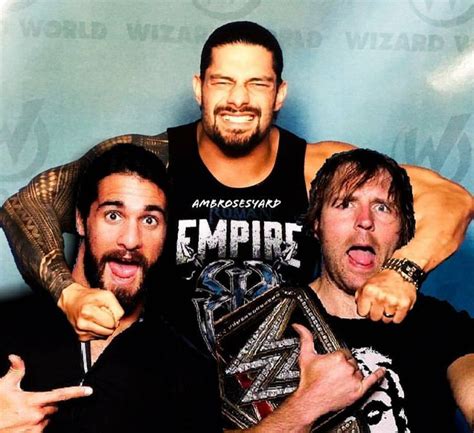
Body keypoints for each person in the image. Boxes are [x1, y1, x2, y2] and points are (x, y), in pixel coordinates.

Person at [0, 22, 472, 350]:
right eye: (223, 82)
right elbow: (28, 205)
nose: (239, 100)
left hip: (289, 394)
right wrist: (70, 292)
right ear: (199, 88)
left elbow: (451, 198)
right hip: (168, 386)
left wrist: (401, 271)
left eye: (257, 84)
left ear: (280, 93)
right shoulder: (156, 160)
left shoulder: (314, 167)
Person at [0, 145, 223, 433]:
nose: (131, 240)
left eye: (149, 220)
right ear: (81, 220)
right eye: (113, 216)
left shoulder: (189, 367)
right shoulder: (6, 325)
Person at [302, 148, 473, 432]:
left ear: (404, 232)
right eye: (345, 204)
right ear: (316, 224)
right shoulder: (271, 322)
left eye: (382, 207)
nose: (365, 220)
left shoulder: (442, 326)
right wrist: (304, 407)